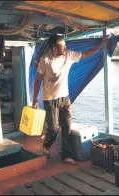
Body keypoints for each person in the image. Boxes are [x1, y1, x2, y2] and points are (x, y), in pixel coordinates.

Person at [32, 34, 109, 165]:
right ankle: (46, 145)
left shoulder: (69, 55)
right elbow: (38, 79)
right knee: (54, 128)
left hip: (65, 99)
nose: (66, 47)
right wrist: (34, 99)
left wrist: (101, 44)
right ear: (54, 48)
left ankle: (66, 156)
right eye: (62, 45)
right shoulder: (45, 60)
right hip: (50, 100)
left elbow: (86, 54)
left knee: (66, 128)